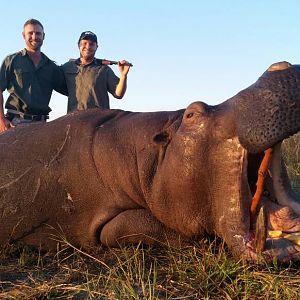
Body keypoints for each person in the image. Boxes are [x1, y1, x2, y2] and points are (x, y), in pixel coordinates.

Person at [0, 19, 67, 133]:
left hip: (41, 125)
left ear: (44, 36)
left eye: (38, 33)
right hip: (15, 123)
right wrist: (1, 120)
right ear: (23, 35)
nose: (34, 36)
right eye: (30, 33)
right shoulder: (11, 60)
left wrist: (91, 64)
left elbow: (71, 89)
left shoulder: (51, 67)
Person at [62, 31, 131, 113]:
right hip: (74, 121)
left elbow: (118, 94)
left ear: (96, 47)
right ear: (78, 45)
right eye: (84, 43)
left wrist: (123, 75)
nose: (87, 47)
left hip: (99, 121)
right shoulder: (67, 67)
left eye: (92, 44)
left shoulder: (104, 69)